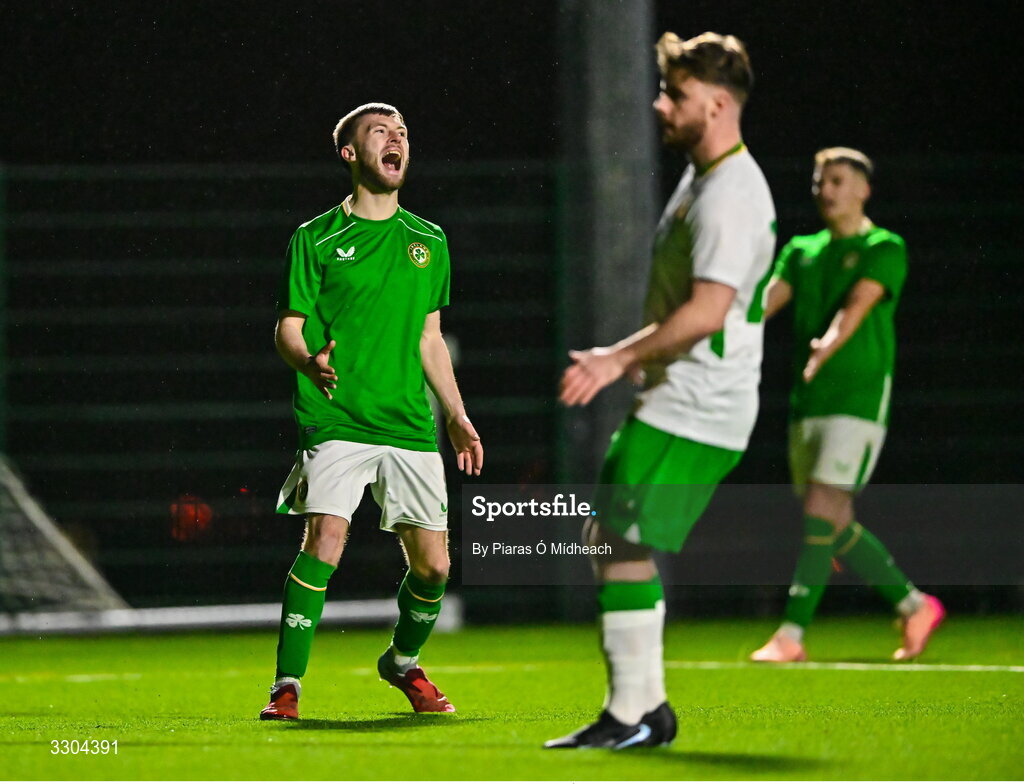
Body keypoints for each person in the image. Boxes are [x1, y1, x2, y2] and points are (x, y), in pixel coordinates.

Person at [546, 32, 776, 749]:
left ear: (715, 104)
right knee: (609, 535)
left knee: (620, 540)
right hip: (680, 396)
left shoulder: (732, 194)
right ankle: (645, 709)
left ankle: (634, 714)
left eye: (674, 93)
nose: (659, 104)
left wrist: (618, 358)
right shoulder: (704, 178)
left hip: (702, 405)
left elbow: (709, 310)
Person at [259, 103, 484, 720]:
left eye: (403, 132)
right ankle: (287, 686)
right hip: (337, 418)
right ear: (351, 153)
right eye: (380, 132)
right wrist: (307, 362)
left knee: (435, 567)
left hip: (409, 424)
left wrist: (458, 414)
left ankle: (403, 664)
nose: (396, 140)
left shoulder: (429, 240)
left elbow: (429, 338)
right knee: (327, 537)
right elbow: (288, 328)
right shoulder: (315, 239)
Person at [750, 148, 944, 663]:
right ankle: (914, 605)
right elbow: (763, 304)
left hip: (856, 398)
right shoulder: (802, 249)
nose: (826, 191)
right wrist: (711, 331)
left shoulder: (885, 246)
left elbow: (857, 306)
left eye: (837, 181)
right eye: (819, 182)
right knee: (832, 523)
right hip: (808, 400)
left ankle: (791, 636)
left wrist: (826, 346)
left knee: (821, 509)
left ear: (863, 189)